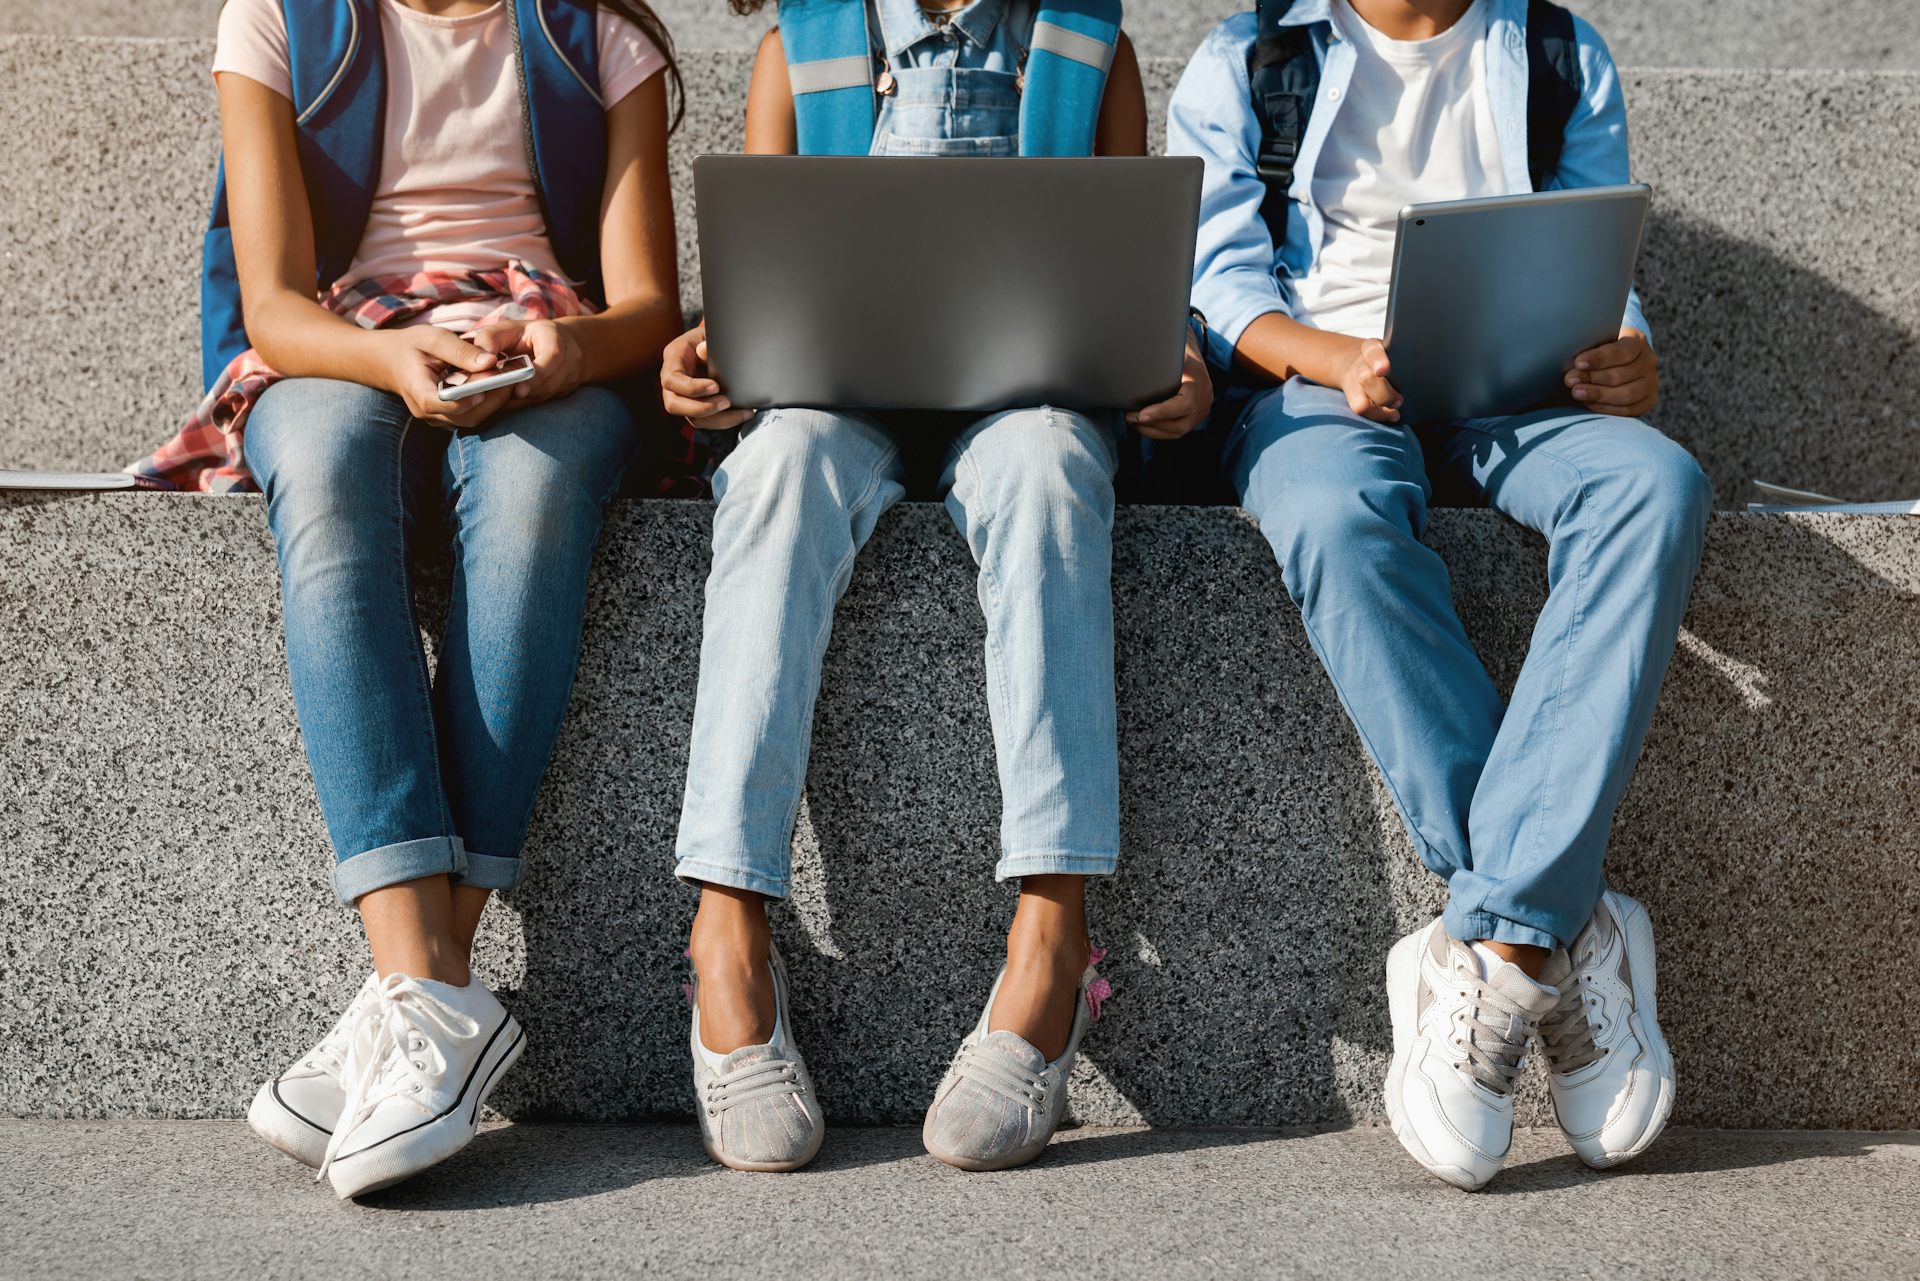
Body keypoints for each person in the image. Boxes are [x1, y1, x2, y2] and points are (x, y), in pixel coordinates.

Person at [141, 0, 691, 1198]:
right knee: (330, 483)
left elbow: (648, 306)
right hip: (341, 343)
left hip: (546, 341)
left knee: (536, 499)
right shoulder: (281, 25)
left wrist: (562, 352)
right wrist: (396, 358)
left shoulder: (596, 35)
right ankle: (429, 980)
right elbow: (278, 300)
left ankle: (418, 1000)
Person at [661, 0, 1211, 1173]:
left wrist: (1179, 361)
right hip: (834, 400)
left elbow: (1131, 276)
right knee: (780, 473)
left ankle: (1053, 946)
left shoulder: (1087, 46)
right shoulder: (794, 47)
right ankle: (726, 930)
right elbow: (763, 277)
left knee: (1055, 470)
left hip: (1026, 399)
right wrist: (714, 355)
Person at [1167, 0, 1708, 1190]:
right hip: (1319, 386)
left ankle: (1497, 942)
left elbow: (1599, 262)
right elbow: (1219, 287)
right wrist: (1337, 360)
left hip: (1523, 388)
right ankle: (1562, 924)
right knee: (1326, 510)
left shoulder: (1561, 55)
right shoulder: (1249, 57)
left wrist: (1627, 349)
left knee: (1655, 487)